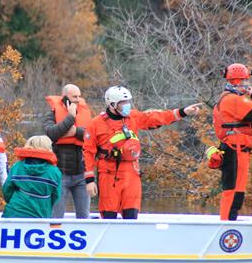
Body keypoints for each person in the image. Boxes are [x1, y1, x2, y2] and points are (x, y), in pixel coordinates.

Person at [83, 86, 202, 220]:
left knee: (131, 214)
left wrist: (183, 112)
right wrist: (89, 180)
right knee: (109, 214)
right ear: (112, 104)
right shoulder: (95, 124)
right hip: (108, 174)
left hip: (131, 173)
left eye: (128, 102)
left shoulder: (133, 116)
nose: (127, 105)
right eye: (123, 103)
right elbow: (88, 152)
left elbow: (157, 118)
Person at [213, 63, 252, 221]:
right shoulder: (232, 99)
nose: (247, 85)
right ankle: (227, 224)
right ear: (238, 80)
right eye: (245, 81)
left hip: (238, 148)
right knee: (232, 190)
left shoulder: (234, 98)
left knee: (237, 190)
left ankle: (230, 221)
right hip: (234, 148)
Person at [44, 84, 92, 219]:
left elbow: (92, 136)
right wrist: (70, 117)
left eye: (79, 96)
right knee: (56, 215)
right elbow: (51, 134)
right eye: (74, 96)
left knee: (84, 216)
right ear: (65, 97)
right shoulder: (52, 113)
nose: (78, 99)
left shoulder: (85, 111)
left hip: (82, 173)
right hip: (60, 174)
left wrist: (75, 131)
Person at [2, 135, 62, 218]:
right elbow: (56, 196)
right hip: (40, 215)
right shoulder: (54, 171)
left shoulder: (17, 166)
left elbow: (7, 190)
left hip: (13, 213)